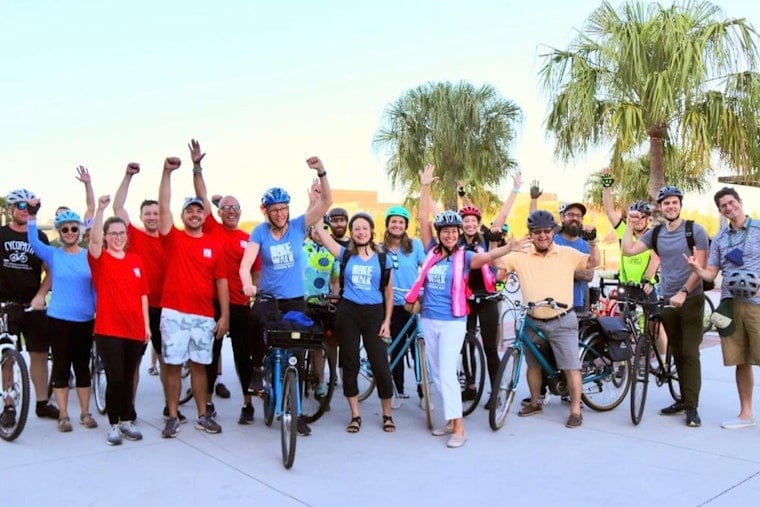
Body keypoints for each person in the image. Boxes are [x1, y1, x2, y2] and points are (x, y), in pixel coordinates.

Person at [408, 164, 517, 447]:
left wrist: (508, 249)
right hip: (428, 319)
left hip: (453, 321)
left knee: (446, 373)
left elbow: (488, 257)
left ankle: (460, 430)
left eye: (453, 231)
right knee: (437, 374)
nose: (449, 235)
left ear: (459, 232)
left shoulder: (465, 256)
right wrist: (425, 186)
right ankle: (450, 420)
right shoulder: (431, 250)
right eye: (444, 231)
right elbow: (422, 218)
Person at [240, 156, 333, 436]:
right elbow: (246, 264)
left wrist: (321, 171)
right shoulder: (259, 231)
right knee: (256, 322)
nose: (279, 214)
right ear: (265, 211)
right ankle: (258, 369)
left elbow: (326, 203)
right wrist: (248, 285)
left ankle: (297, 412)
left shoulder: (297, 226)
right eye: (274, 210)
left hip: (294, 300)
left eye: (283, 209)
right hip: (268, 298)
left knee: (295, 353)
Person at [622, 185, 708, 427]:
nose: (670, 206)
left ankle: (691, 407)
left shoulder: (694, 230)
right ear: (660, 207)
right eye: (666, 203)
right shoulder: (656, 234)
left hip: (691, 298)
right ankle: (683, 398)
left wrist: (683, 291)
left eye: (674, 202)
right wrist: (629, 224)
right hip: (667, 298)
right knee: (677, 351)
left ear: (680, 205)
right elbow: (628, 250)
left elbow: (700, 268)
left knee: (690, 352)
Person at [499, 209, 592, 429]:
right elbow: (497, 266)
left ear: (553, 232)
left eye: (546, 231)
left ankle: (576, 410)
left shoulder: (566, 253)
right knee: (533, 366)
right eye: (537, 232)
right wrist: (502, 246)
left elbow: (591, 265)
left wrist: (594, 244)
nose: (542, 235)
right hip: (533, 319)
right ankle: (535, 402)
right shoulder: (520, 254)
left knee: (571, 367)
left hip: (562, 318)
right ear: (530, 233)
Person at [157, 156, 229, 438]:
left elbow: (221, 282)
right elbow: (163, 207)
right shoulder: (172, 238)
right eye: (190, 211)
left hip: (202, 315)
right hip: (174, 313)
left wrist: (224, 315)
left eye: (199, 211)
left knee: (201, 366)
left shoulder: (214, 244)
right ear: (184, 215)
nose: (195, 215)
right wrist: (167, 173)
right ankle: (173, 415)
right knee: (173, 365)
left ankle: (202, 415)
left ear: (204, 215)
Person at [189, 138, 258, 425]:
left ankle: (247, 403)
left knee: (244, 357)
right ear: (218, 213)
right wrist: (196, 167)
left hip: (242, 306)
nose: (231, 211)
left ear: (240, 212)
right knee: (209, 355)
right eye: (226, 208)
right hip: (213, 304)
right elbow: (202, 196)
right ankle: (207, 403)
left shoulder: (248, 238)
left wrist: (254, 290)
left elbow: (256, 271)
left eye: (235, 208)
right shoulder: (212, 229)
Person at [113, 163, 186, 423]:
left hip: (165, 308)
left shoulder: (172, 237)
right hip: (138, 308)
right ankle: (127, 409)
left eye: (156, 213)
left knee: (168, 360)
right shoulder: (134, 235)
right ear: (142, 217)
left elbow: (167, 205)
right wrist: (128, 176)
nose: (153, 217)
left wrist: (166, 174)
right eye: (148, 214)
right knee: (133, 363)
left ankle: (171, 407)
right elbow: (118, 208)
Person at [314, 212, 395, 434]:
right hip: (348, 312)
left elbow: (389, 293)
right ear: (352, 232)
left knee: (381, 365)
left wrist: (387, 321)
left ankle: (387, 414)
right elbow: (321, 232)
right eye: (356, 228)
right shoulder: (345, 255)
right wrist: (317, 205)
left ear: (371, 231)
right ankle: (355, 415)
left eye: (364, 228)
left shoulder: (382, 258)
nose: (360, 232)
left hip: (374, 313)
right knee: (350, 364)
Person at [685, 187, 759, 429]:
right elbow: (712, 273)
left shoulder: (758, 230)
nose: (729, 207)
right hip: (730, 304)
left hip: (758, 305)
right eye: (723, 205)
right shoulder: (719, 238)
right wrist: (697, 269)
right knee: (741, 360)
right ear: (720, 210)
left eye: (731, 202)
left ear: (739, 202)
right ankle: (745, 414)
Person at [26, 202, 97, 432]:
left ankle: (85, 413)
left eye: (73, 229)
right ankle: (64, 415)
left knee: (83, 367)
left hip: (85, 319)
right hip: (58, 320)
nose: (69, 233)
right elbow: (34, 242)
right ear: (59, 232)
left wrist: (98, 309)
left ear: (79, 231)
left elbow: (95, 287)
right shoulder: (54, 254)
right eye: (64, 229)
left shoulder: (89, 256)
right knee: (61, 367)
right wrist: (32, 216)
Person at [87, 195, 150, 445]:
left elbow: (143, 294)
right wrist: (101, 210)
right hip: (109, 329)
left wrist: (146, 326)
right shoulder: (100, 259)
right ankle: (113, 424)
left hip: (135, 329)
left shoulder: (136, 260)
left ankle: (127, 420)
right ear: (105, 236)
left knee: (128, 376)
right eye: (112, 233)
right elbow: (92, 241)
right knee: (115, 378)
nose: (118, 237)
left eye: (121, 232)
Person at [457, 172, 521, 407]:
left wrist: (515, 190)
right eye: (466, 222)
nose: (470, 224)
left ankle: (495, 393)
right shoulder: (456, 241)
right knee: (465, 344)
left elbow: (502, 214)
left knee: (490, 348)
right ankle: (470, 386)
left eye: (474, 221)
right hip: (464, 300)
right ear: (462, 225)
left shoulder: (486, 237)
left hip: (488, 299)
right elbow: (467, 209)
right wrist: (462, 196)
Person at [0, 189, 58, 424]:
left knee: (40, 354)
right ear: (11, 209)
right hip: (6, 305)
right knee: (8, 355)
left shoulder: (39, 237)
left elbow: (50, 270)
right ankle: (9, 405)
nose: (25, 210)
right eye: (20, 206)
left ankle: (42, 403)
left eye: (30, 207)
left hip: (33, 305)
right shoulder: (1, 234)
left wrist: (41, 295)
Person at [381, 205, 425, 400]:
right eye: (394, 222)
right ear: (388, 225)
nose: (397, 225)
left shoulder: (415, 246)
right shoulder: (379, 249)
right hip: (391, 305)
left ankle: (422, 387)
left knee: (418, 347)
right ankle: (398, 388)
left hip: (411, 303)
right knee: (397, 347)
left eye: (401, 222)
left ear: (406, 225)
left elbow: (425, 268)